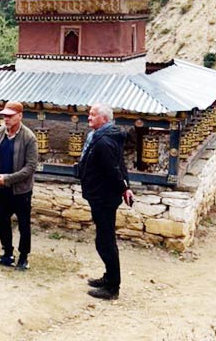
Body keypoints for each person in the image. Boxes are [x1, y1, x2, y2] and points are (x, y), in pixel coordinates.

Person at [76, 103, 134, 300]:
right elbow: (120, 164)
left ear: (104, 119)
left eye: (93, 115)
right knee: (104, 239)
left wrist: (124, 188)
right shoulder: (99, 137)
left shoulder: (104, 142)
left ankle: (112, 287)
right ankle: (108, 277)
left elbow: (113, 170)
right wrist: (126, 187)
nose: (89, 118)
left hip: (104, 197)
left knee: (105, 241)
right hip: (98, 194)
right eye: (89, 114)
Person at [0, 101, 38, 270]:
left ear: (20, 116)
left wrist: (8, 179)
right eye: (4, 116)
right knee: (2, 222)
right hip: (2, 189)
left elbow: (30, 167)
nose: (6, 119)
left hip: (21, 191)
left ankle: (23, 256)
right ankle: (8, 253)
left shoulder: (29, 137)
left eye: (10, 116)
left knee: (23, 224)